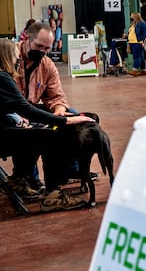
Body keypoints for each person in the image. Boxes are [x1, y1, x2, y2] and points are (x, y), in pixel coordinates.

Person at [0, 39, 95, 211]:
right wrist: (65, 120)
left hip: (4, 126)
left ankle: (20, 178)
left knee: (34, 129)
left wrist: (19, 119)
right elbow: (26, 109)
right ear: (7, 56)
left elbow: (15, 108)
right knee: (51, 136)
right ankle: (53, 193)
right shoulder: (3, 79)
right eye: (14, 55)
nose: (17, 59)